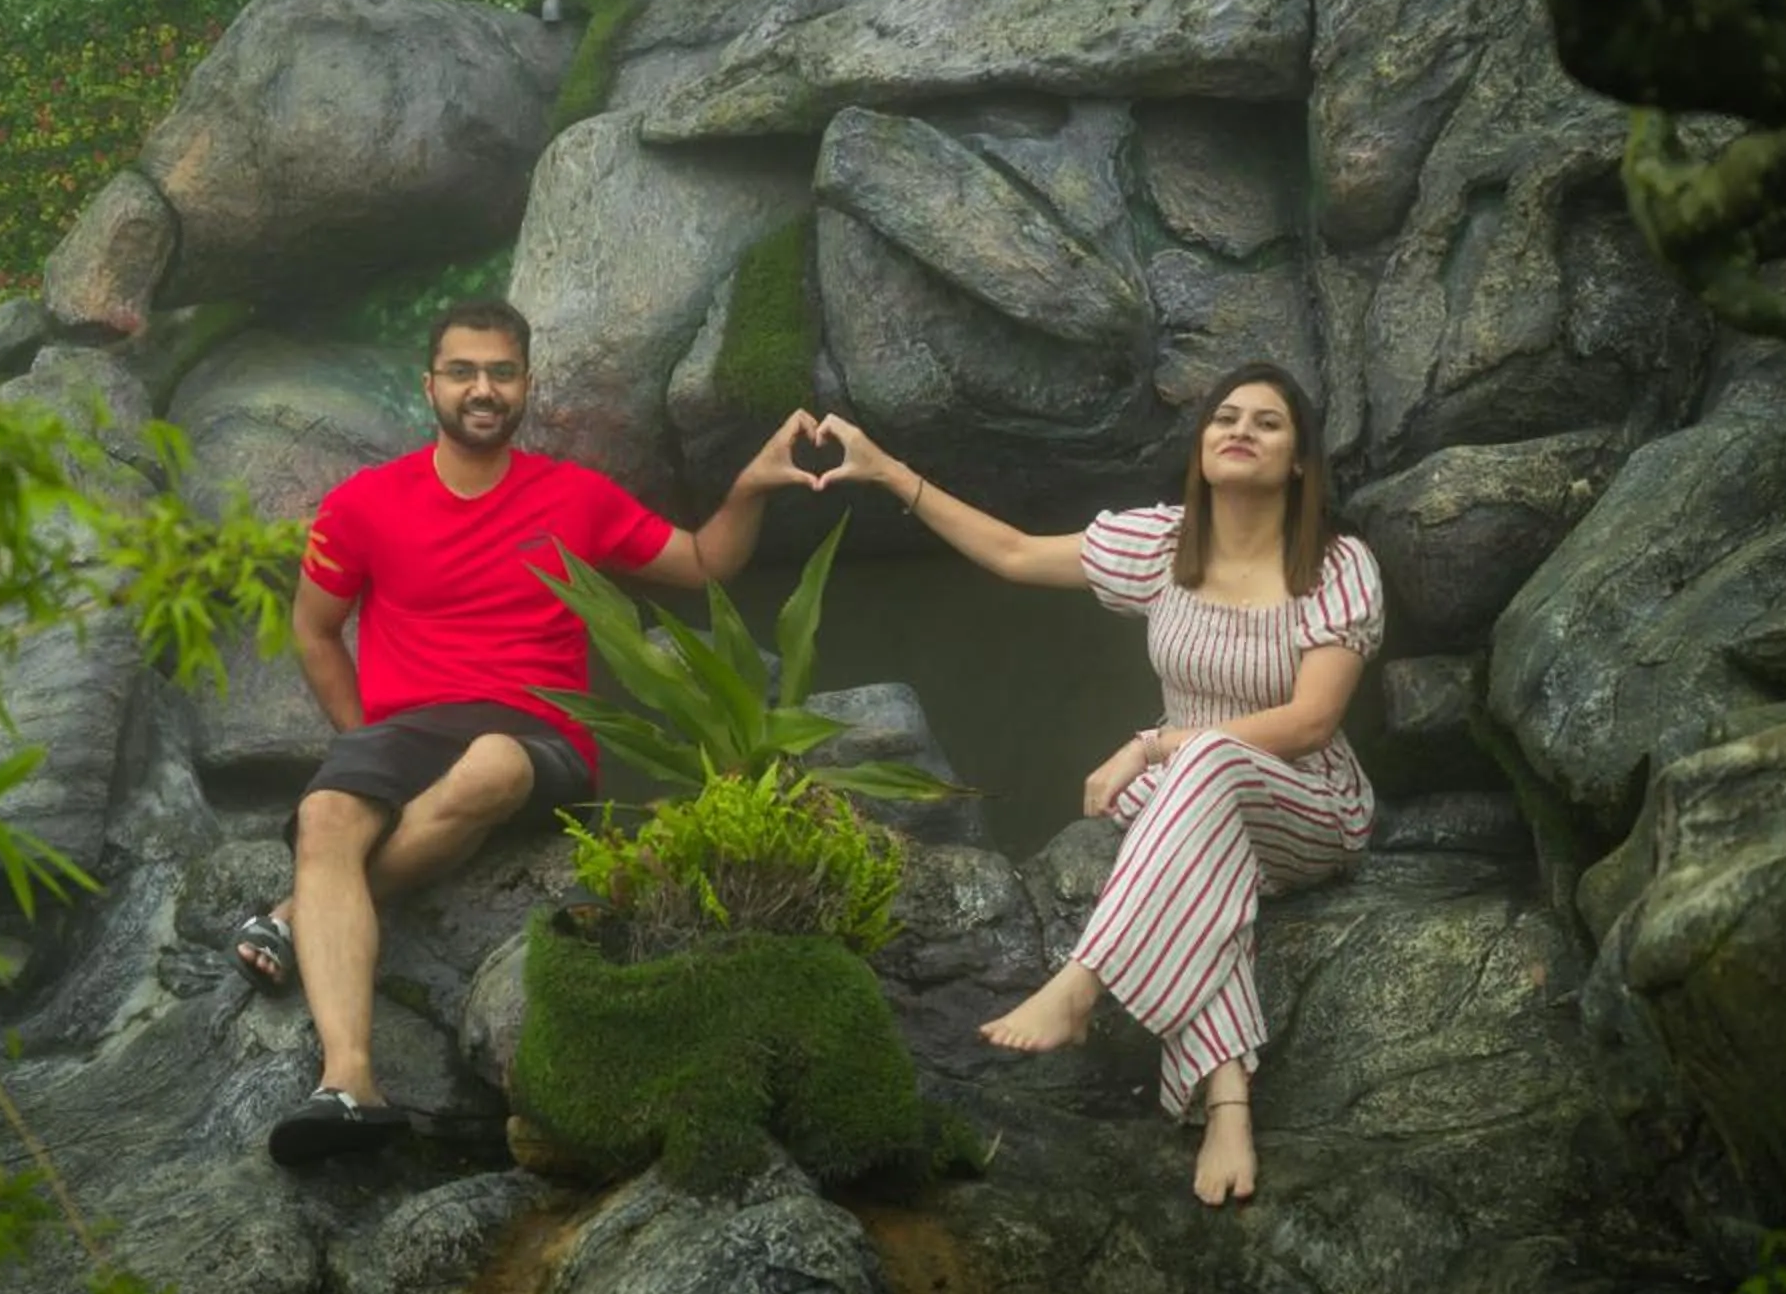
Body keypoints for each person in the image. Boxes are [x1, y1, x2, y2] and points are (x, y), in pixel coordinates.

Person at [242, 296, 823, 1166]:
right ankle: (350, 1080)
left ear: (526, 384)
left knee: (489, 768)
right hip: (404, 731)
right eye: (464, 371)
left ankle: (296, 911)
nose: (484, 388)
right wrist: (359, 741)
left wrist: (752, 484)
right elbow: (314, 630)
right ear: (430, 384)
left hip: (535, 738)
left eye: (501, 372)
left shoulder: (574, 497)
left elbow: (706, 564)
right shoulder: (363, 503)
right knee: (327, 817)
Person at [809, 363, 1382, 1205]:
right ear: (1200, 445)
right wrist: (887, 468)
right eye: (1225, 417)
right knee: (1198, 857)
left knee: (1196, 766)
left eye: (1267, 423)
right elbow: (1010, 553)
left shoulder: (1336, 566)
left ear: (1300, 460)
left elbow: (1310, 723)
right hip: (1197, 804)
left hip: (1308, 805)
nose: (1240, 431)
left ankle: (1082, 983)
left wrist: (1155, 745)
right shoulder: (1161, 544)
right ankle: (1228, 1103)